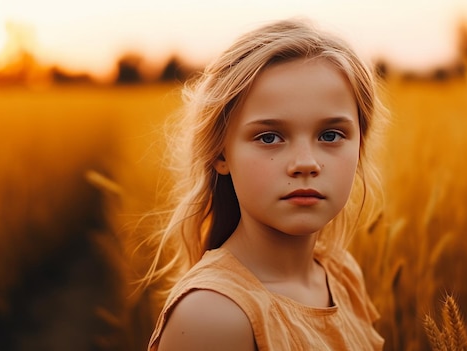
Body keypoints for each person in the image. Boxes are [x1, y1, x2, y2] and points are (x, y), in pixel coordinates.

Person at [146, 18, 386, 350]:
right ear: (221, 153)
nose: (305, 162)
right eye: (269, 137)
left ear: (359, 146)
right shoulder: (211, 316)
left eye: (330, 135)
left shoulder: (342, 275)